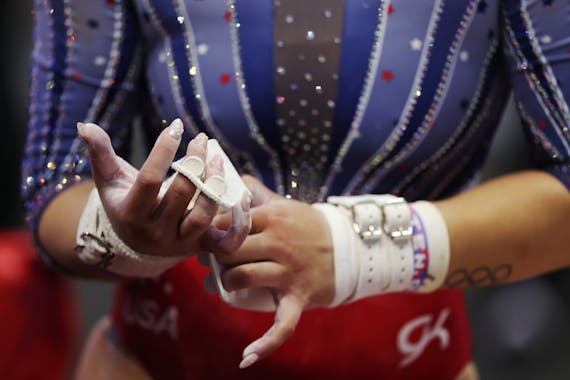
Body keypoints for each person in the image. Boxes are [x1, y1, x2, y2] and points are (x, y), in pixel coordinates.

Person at [22, 0, 569, 379]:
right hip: (163, 359)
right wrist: (128, 234)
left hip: (413, 361)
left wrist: (355, 246)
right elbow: (53, 184)